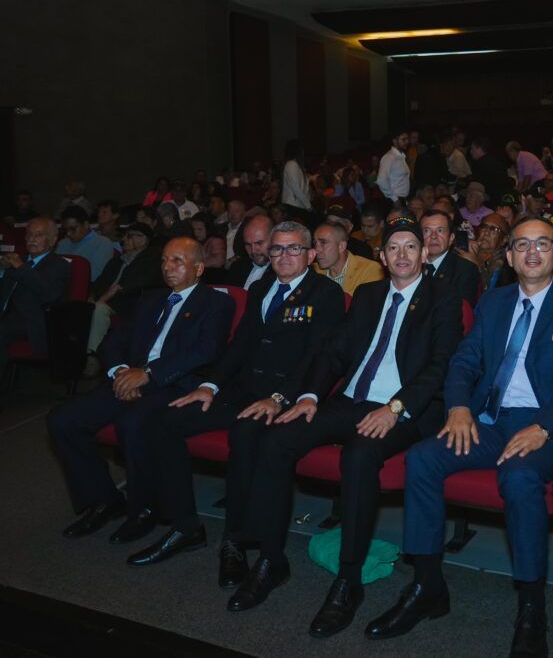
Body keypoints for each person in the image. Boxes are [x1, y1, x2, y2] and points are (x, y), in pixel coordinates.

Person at [366, 216, 553, 657]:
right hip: (492, 421)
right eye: (522, 245)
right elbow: (463, 361)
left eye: (543, 244)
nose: (532, 252)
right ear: (509, 256)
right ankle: (428, 586)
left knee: (518, 477)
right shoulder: (494, 302)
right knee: (422, 458)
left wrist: (544, 427)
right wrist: (458, 407)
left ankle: (532, 606)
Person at [229, 219, 463, 630]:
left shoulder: (444, 300)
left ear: (425, 254)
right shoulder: (369, 294)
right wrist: (310, 396)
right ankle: (271, 557)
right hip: (350, 400)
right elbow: (333, 354)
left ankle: (348, 579)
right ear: (381, 257)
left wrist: (395, 407)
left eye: (412, 246)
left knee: (359, 455)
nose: (403, 255)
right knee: (277, 437)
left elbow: (440, 364)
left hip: (405, 408)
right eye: (393, 248)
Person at [126, 222, 346, 577]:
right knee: (164, 421)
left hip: (285, 395)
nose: (284, 256)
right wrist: (210, 386)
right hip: (243, 391)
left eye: (293, 249)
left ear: (311, 254)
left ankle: (237, 540)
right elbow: (240, 344)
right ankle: (185, 525)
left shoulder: (326, 293)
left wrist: (280, 397)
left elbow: (318, 357)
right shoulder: (260, 289)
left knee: (246, 434)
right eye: (276, 249)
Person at [48, 238, 233, 543]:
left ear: (199, 268)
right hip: (129, 378)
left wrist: (147, 375)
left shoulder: (216, 303)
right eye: (164, 260)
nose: (168, 267)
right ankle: (103, 500)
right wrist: (121, 372)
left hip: (174, 383)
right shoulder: (151, 300)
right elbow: (114, 341)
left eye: (178, 261)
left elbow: (205, 351)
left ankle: (144, 509)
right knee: (62, 420)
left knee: (133, 423)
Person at [85, 223, 164, 368]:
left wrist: (105, 297)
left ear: (142, 239)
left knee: (99, 309)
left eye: (130, 236)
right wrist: (91, 295)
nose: (124, 240)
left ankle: (92, 357)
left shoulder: (153, 259)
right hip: (105, 300)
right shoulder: (117, 260)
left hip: (129, 302)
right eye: (125, 236)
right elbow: (100, 281)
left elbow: (137, 283)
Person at [0, 217, 69, 373]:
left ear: (52, 240)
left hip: (33, 321)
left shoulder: (58, 264)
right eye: (29, 235)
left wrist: (21, 267)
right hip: (7, 316)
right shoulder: (17, 260)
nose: (32, 239)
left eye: (38, 235)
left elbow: (49, 295)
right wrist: (2, 271)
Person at [420, 210, 480, 306]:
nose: (433, 236)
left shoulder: (465, 270)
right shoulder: (411, 266)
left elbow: (462, 313)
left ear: (451, 238)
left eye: (440, 230)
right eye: (427, 231)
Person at [312, 221, 384, 297]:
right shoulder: (313, 271)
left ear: (341, 246)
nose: (316, 250)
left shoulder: (369, 270)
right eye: (315, 243)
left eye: (323, 243)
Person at [56, 205, 114, 282]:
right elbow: (53, 270)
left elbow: (92, 276)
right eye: (65, 230)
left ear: (86, 225)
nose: (68, 234)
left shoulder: (103, 243)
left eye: (73, 229)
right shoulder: (63, 243)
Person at [223, 215, 273, 290]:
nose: (253, 250)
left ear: (274, 239)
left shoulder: (281, 272)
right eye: (248, 244)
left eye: (259, 243)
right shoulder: (237, 268)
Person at [377, 130, 411, 202]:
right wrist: (394, 199)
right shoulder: (389, 157)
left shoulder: (401, 156)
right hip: (394, 200)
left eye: (407, 139)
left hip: (402, 199)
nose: (407, 142)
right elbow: (381, 180)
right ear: (395, 141)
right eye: (403, 139)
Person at [281, 139, 311, 211]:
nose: (303, 152)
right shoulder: (291, 164)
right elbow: (296, 189)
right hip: (293, 205)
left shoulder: (295, 165)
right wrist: (308, 206)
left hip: (298, 204)